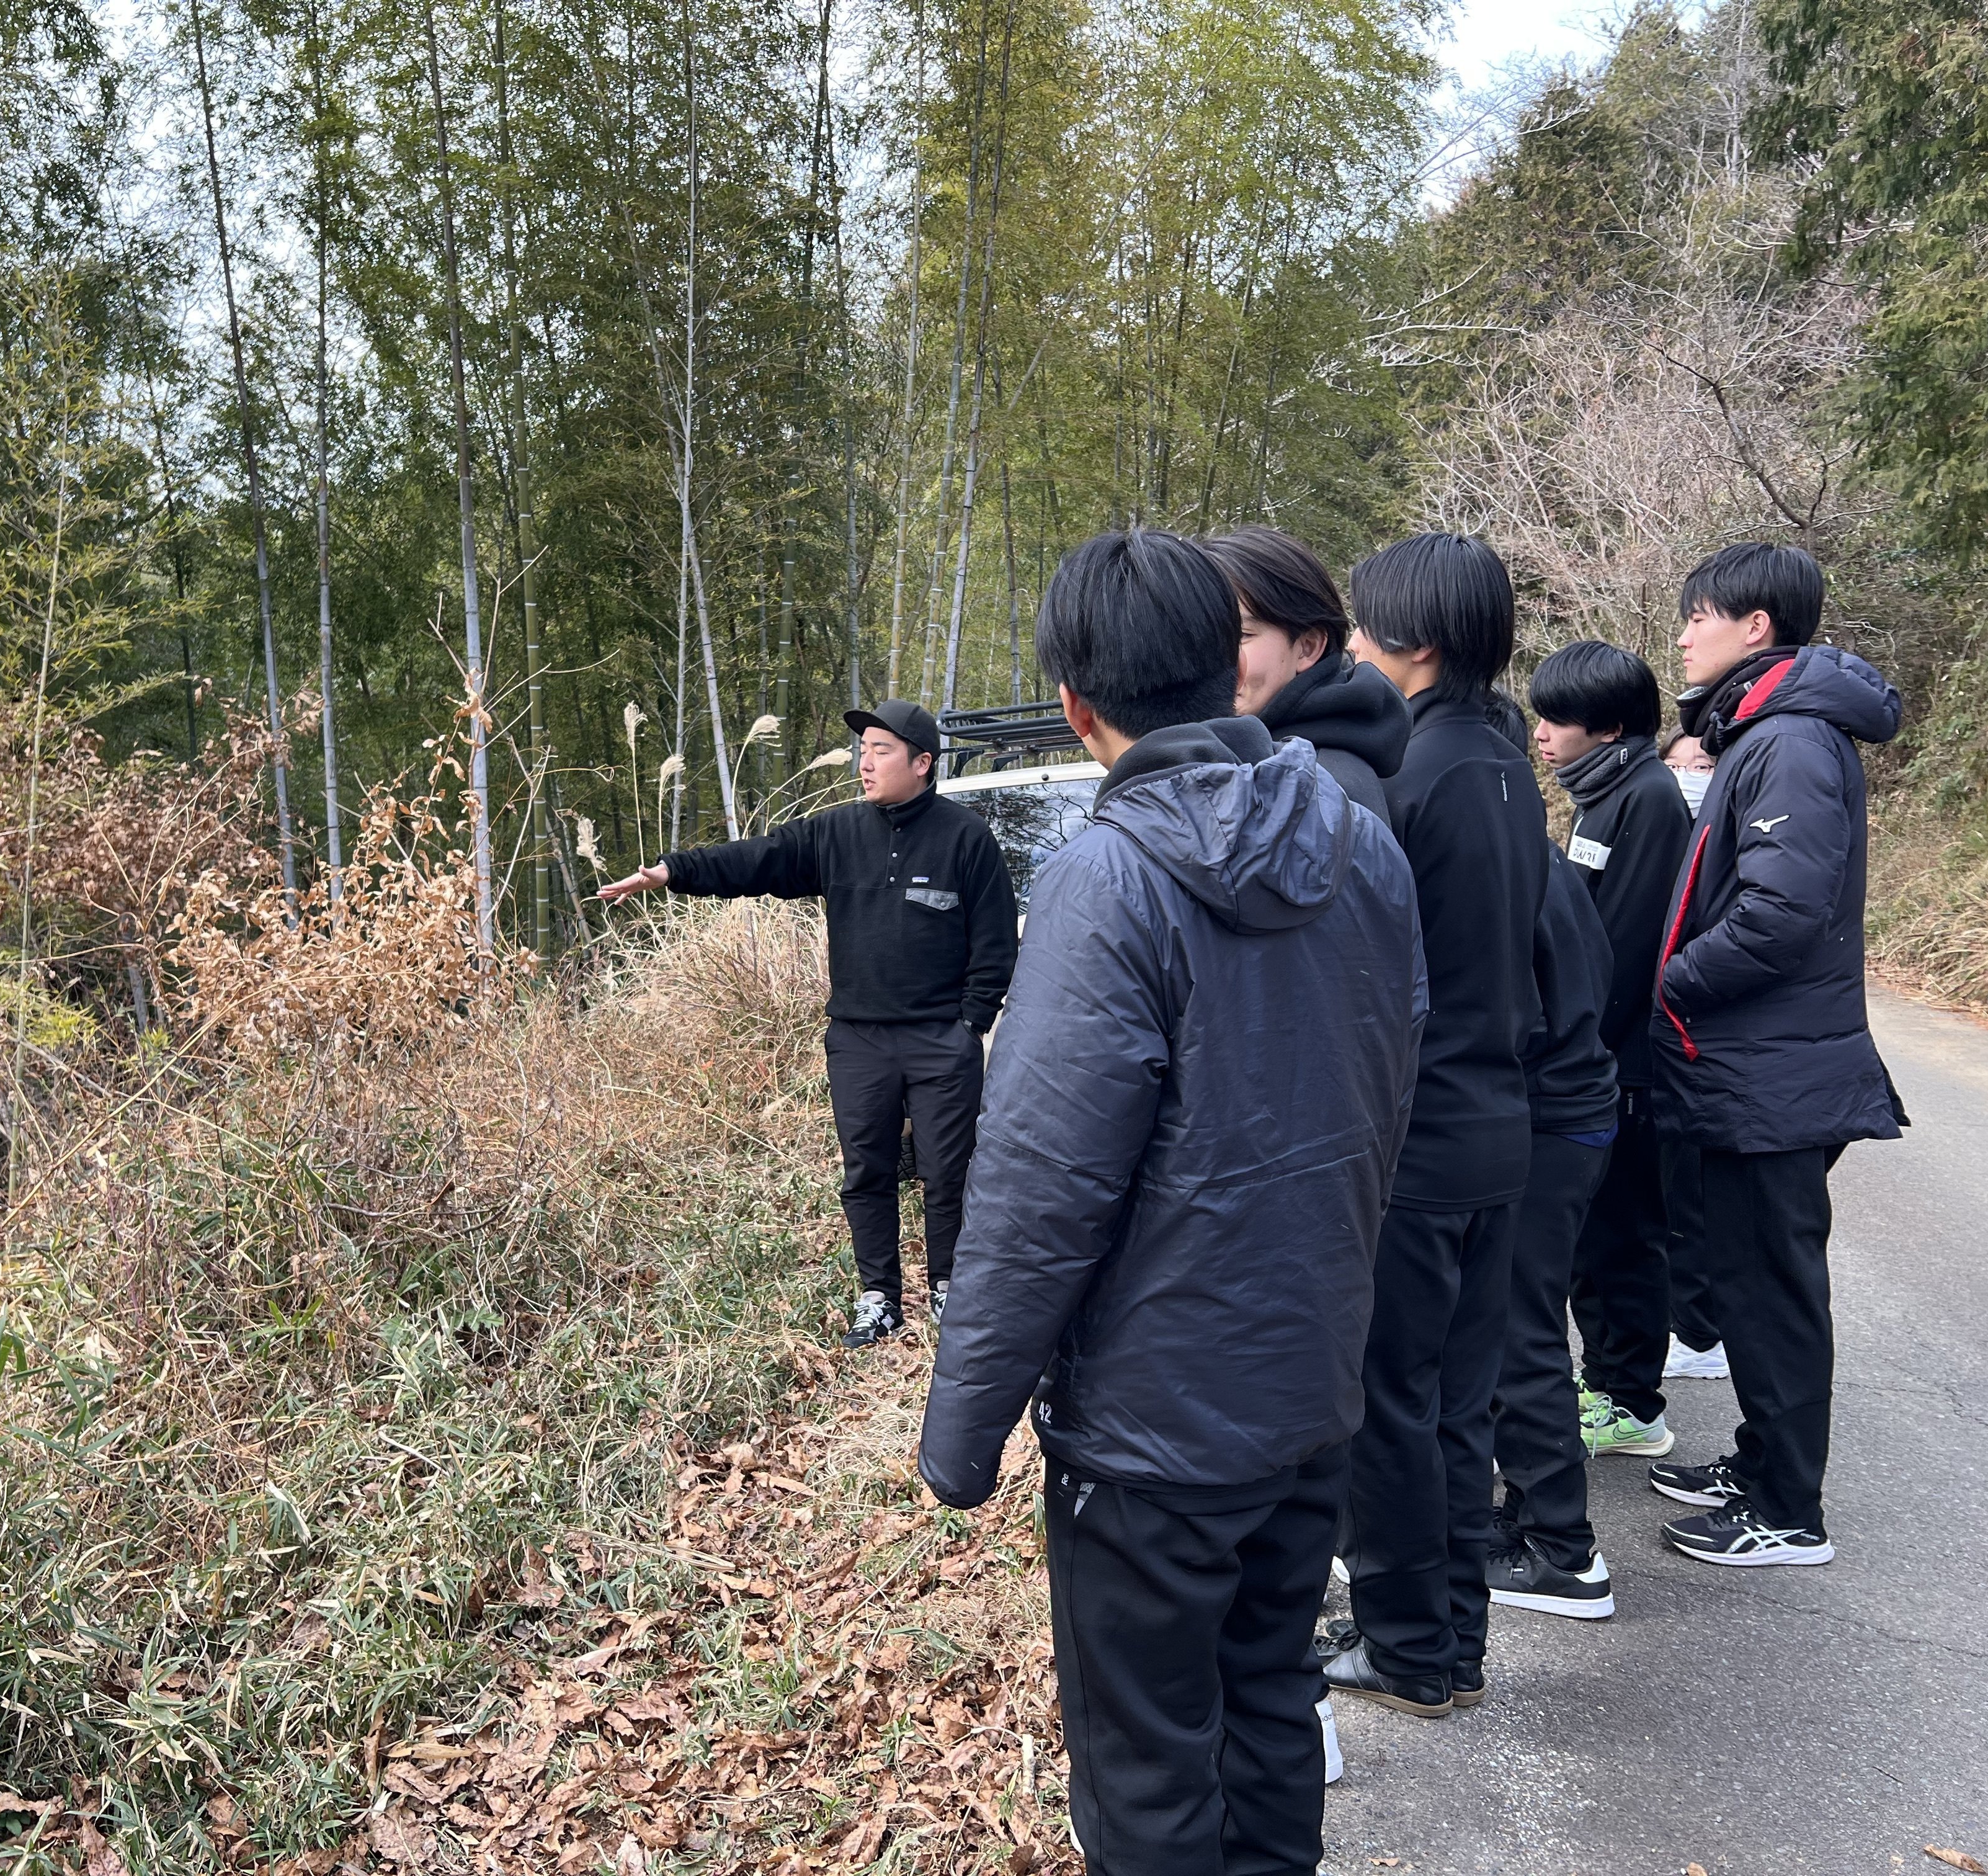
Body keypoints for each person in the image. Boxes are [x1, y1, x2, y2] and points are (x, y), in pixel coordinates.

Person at [919, 528, 1424, 1876]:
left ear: (1079, 709)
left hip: (1154, 1438)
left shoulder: (1109, 875)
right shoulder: (1364, 846)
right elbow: (1388, 1098)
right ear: (1230, 667)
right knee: (1271, 1702)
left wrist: (958, 1439)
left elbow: (1040, 1190)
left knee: (1146, 1767)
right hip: (1310, 1391)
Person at [597, 700, 1018, 1347]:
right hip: (859, 1040)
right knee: (867, 1171)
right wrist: (671, 871)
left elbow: (995, 946)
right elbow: (757, 861)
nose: (865, 761)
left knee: (949, 1171)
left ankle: (949, 1289)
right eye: (863, 749)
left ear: (923, 762)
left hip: (941, 1041)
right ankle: (879, 1298)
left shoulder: (966, 839)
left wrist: (969, 1025)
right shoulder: (837, 834)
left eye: (881, 749)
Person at [1322, 534, 1547, 1720]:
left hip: (1416, 1138)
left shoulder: (1409, 777)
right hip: (1496, 1128)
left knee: (1387, 1401)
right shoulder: (1506, 765)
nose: (1352, 643)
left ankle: (1408, 1643)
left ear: (1415, 640)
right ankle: (1452, 1636)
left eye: (1364, 625)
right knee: (1458, 1402)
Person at [1645, 542, 1904, 1567]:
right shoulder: (1764, 728)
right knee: (1753, 1279)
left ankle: (1786, 1507)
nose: (1682, 633)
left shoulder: (1789, 738)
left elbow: (1781, 913)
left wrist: (1668, 981)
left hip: (1771, 1069)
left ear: (1755, 625)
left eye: (1698, 614)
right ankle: (1760, 1462)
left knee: (1773, 1288)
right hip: (1759, 1063)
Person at [1525, 642, 1697, 1460]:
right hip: (1602, 1062)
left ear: (1612, 726)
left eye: (1559, 718)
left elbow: (1623, 951)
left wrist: (1578, 1051)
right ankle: (1614, 1389)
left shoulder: (1648, 799)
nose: (1542, 733)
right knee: (1596, 1239)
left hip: (1628, 1068)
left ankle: (1631, 1400)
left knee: (1626, 1237)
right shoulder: (1608, 793)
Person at [1476, 693, 1623, 1621]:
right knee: (1516, 1328)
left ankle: (1565, 1550)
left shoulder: (1510, 874)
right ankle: (1527, 1514)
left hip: (1550, 1125)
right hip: (1575, 1117)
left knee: (1520, 1334)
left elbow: (1516, 1023)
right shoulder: (1541, 863)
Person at [1197, 525, 1411, 818]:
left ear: (1308, 647)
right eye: (1200, 636)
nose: (1214, 659)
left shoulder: (1324, 791)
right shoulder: (1242, 757)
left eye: (1242, 635)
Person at [1659, 731, 1729, 1381]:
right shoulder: (1655, 830)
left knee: (1695, 1196)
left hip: (1704, 1043)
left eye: (1702, 764)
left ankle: (1703, 1333)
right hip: (1669, 1044)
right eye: (1676, 763)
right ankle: (1692, 1325)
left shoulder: (1725, 841)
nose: (1688, 774)